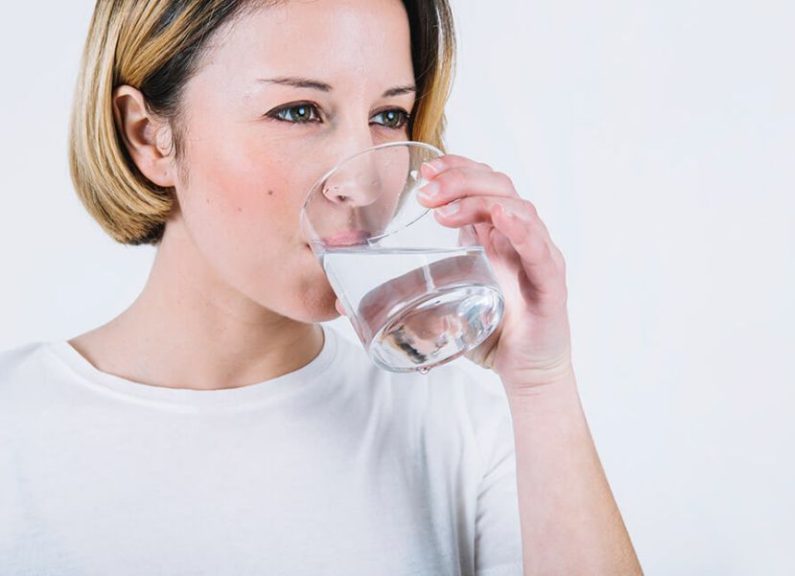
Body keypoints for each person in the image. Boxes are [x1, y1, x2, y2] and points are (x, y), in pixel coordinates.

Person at [0, 0, 643, 574]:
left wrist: (541, 382)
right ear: (150, 137)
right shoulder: (15, 432)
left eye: (389, 115)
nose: (362, 184)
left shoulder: (463, 426)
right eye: (299, 111)